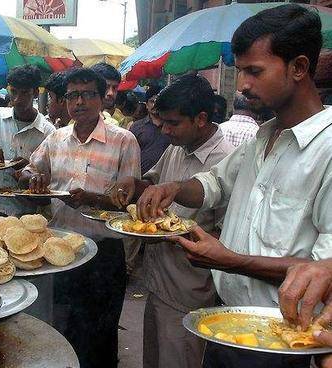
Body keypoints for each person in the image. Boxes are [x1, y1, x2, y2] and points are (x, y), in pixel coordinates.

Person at [135, 5, 331, 367]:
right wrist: (174, 188)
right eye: (240, 71)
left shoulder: (327, 148)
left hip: (287, 339)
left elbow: (323, 269)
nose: (242, 85)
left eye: (254, 71)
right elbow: (213, 184)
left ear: (299, 68)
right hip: (228, 320)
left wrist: (233, 262)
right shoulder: (262, 138)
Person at [110, 75, 235, 368]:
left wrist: (176, 230)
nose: (165, 130)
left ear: (201, 118)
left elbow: (226, 239)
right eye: (161, 122)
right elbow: (153, 183)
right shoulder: (176, 147)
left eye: (173, 123)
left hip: (190, 293)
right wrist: (134, 184)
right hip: (156, 281)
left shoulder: (226, 160)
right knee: (153, 359)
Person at [19, 67, 141, 368]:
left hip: (105, 253)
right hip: (61, 249)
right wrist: (31, 178)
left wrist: (92, 199)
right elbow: (30, 169)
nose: (79, 102)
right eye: (72, 95)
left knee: (101, 334)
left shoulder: (124, 141)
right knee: (61, 326)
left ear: (102, 99)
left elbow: (130, 202)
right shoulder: (56, 138)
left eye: (87, 94)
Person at [0, 65, 55, 216]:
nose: (17, 99)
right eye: (13, 92)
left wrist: (29, 168)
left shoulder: (48, 131)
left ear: (35, 93)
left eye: (24, 93)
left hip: (23, 211)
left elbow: (52, 174)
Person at [130, 84, 170, 175]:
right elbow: (129, 154)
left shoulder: (171, 127)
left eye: (158, 101)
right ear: (147, 105)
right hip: (140, 178)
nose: (155, 104)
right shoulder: (136, 127)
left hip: (166, 178)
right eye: (152, 101)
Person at [90, 62, 127, 127]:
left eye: (114, 88)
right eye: (106, 87)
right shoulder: (80, 118)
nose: (111, 93)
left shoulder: (115, 122)